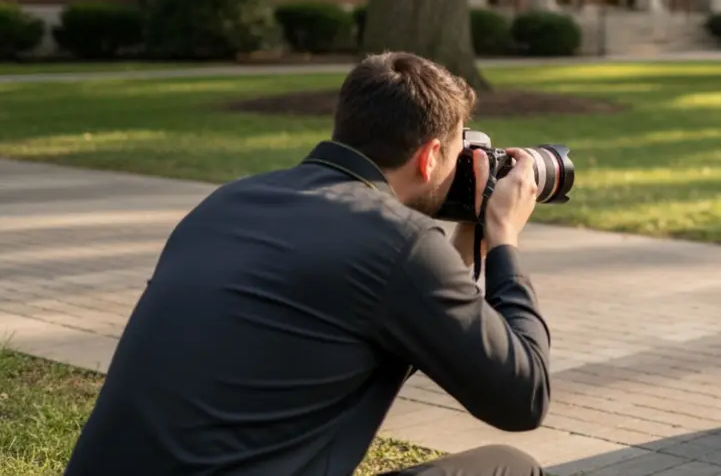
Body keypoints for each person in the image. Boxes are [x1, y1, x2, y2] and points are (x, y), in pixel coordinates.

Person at [63, 52, 551, 476]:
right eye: (459, 150)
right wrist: (504, 236)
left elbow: (382, 323)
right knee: (511, 467)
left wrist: (469, 240)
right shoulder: (399, 243)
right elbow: (523, 396)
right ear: (429, 158)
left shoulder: (230, 201)